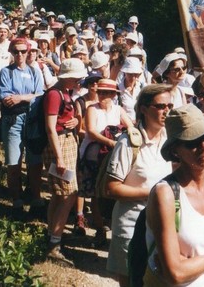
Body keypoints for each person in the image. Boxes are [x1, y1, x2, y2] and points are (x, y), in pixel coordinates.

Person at [145, 104, 204, 286]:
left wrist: (188, 264)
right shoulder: (165, 194)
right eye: (192, 142)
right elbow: (176, 274)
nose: (203, 147)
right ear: (175, 150)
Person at [105, 84, 173, 287]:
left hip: (162, 229)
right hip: (131, 228)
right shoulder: (128, 143)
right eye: (161, 106)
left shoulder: (170, 141)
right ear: (143, 108)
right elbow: (112, 187)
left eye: (170, 105)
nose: (167, 111)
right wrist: (153, 194)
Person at [78, 79, 132, 246]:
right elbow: (91, 131)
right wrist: (110, 142)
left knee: (111, 194)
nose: (102, 95)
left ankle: (109, 227)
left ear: (114, 95)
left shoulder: (118, 110)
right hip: (94, 157)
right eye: (100, 92)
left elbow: (131, 127)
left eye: (106, 93)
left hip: (112, 157)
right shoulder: (92, 109)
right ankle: (100, 229)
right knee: (95, 193)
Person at [44, 58, 88, 263]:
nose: (80, 81)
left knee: (59, 194)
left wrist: (76, 121)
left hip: (65, 144)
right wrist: (59, 157)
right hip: (59, 147)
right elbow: (50, 127)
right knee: (69, 193)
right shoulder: (54, 95)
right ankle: (54, 242)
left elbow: (63, 120)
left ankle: (51, 235)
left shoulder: (65, 93)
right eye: (77, 78)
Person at [0, 37, 44, 209]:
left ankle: (36, 197)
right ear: (11, 52)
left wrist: (20, 97)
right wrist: (26, 97)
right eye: (16, 51)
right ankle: (16, 199)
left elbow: (40, 94)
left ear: (28, 52)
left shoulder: (34, 71)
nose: (20, 54)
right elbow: (6, 98)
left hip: (31, 120)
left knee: (35, 161)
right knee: (13, 161)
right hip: (13, 120)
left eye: (23, 51)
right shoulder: (6, 72)